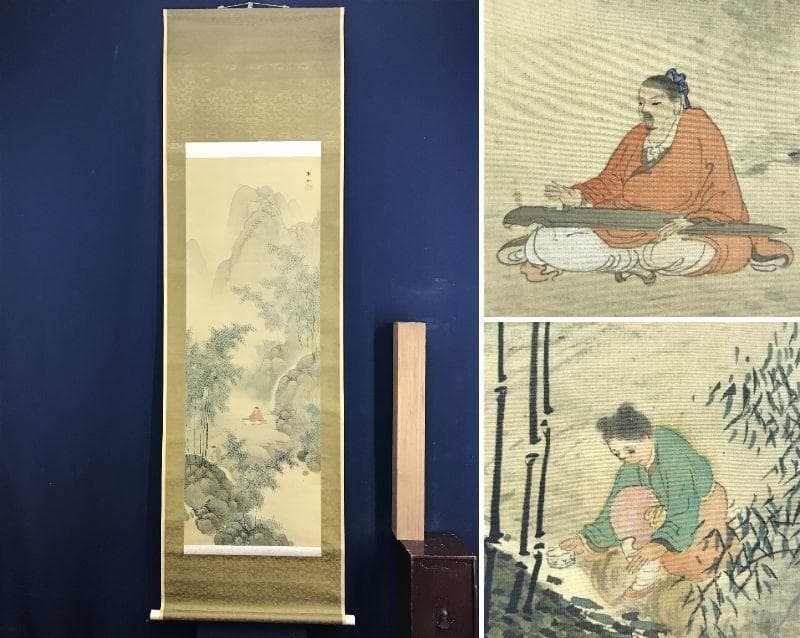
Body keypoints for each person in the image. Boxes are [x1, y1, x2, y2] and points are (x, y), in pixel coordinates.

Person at [501, 69, 792, 284]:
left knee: (682, 253)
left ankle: (620, 260)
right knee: (552, 242)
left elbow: (723, 192)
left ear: (677, 105)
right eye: (641, 103)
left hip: (681, 229)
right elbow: (611, 180)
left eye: (655, 103)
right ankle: (623, 259)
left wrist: (694, 221)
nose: (645, 110)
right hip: (624, 223)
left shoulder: (701, 131)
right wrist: (580, 196)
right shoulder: (638, 136)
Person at [559, 403, 729, 600]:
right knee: (626, 502)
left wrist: (660, 544)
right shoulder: (632, 465)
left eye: (629, 451)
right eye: (617, 454)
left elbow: (684, 507)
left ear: (648, 436)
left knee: (689, 565)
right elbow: (614, 507)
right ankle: (646, 575)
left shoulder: (675, 457)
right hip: (665, 506)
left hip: (703, 504)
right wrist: (586, 540)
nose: (625, 458)